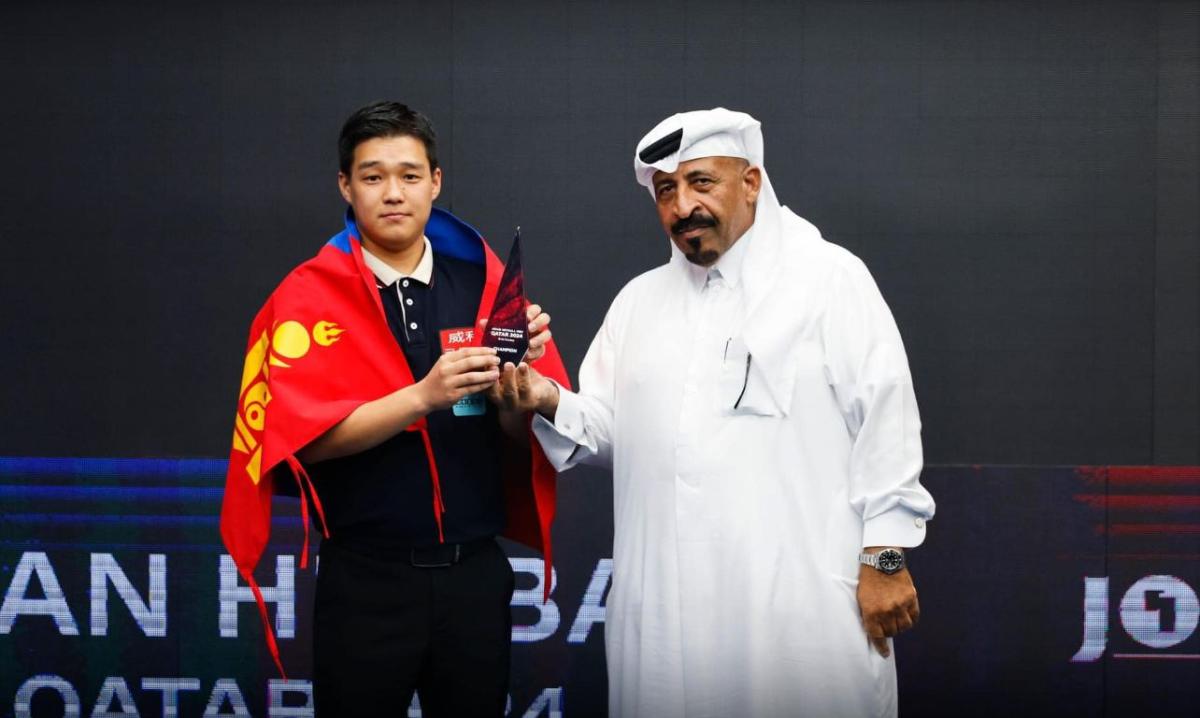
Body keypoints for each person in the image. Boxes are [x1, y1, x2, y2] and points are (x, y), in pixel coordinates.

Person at [507, 108, 937, 717]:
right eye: (666, 190)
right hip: (665, 615)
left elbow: (887, 426)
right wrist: (547, 398)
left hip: (795, 608)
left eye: (701, 182)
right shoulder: (638, 303)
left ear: (751, 182)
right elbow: (612, 430)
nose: (683, 206)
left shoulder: (828, 279)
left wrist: (885, 560)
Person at [218, 101, 568, 718]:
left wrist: (522, 390)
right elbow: (300, 442)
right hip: (365, 580)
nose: (393, 193)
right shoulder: (307, 297)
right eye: (373, 176)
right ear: (345, 186)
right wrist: (422, 397)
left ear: (436, 182)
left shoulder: (485, 285)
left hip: (474, 575)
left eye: (409, 175)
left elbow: (525, 434)